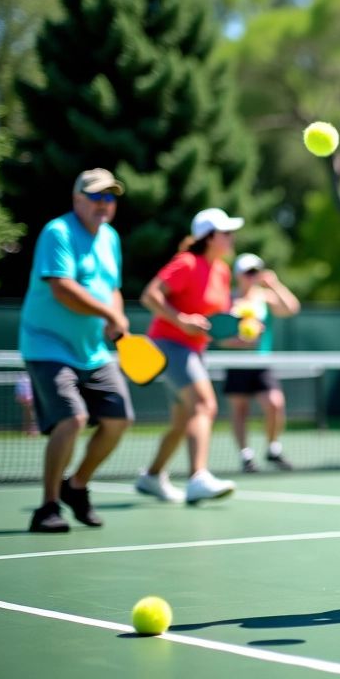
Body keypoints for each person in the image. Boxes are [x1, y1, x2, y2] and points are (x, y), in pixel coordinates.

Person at [18, 169, 135, 532]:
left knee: (119, 419)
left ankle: (77, 485)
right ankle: (48, 507)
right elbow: (62, 288)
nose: (104, 204)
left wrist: (115, 315)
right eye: (97, 197)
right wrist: (108, 313)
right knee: (73, 419)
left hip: (94, 349)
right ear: (78, 199)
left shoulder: (110, 238)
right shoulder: (58, 232)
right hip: (47, 344)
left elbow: (111, 286)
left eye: (110, 198)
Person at [135, 208, 241, 504]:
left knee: (182, 422)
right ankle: (198, 477)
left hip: (194, 350)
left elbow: (214, 321)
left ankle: (152, 476)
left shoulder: (221, 270)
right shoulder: (187, 263)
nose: (232, 238)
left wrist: (240, 330)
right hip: (168, 346)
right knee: (205, 404)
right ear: (209, 237)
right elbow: (150, 295)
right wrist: (181, 319)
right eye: (227, 233)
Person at [221, 252, 301, 473]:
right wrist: (237, 341)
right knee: (239, 410)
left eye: (255, 272)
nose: (252, 276)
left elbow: (292, 308)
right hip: (236, 364)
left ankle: (273, 449)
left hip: (261, 363)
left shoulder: (265, 296)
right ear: (238, 274)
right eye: (248, 272)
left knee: (275, 403)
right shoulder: (227, 299)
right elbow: (217, 335)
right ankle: (246, 455)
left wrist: (275, 284)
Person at [14, 372, 39, 436]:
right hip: (27, 399)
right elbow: (19, 390)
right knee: (28, 413)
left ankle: (31, 429)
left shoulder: (29, 379)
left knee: (30, 413)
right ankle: (28, 429)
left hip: (29, 399)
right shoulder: (22, 380)